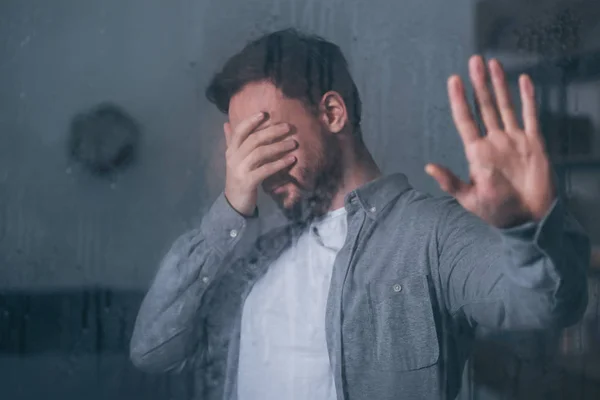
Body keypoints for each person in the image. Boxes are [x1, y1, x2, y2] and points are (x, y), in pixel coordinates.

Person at [130, 29, 590, 400]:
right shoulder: (256, 256)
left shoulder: (430, 234)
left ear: (332, 113)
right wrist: (229, 211)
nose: (255, 166)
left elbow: (548, 304)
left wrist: (523, 227)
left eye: (265, 138)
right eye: (241, 147)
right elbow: (153, 350)